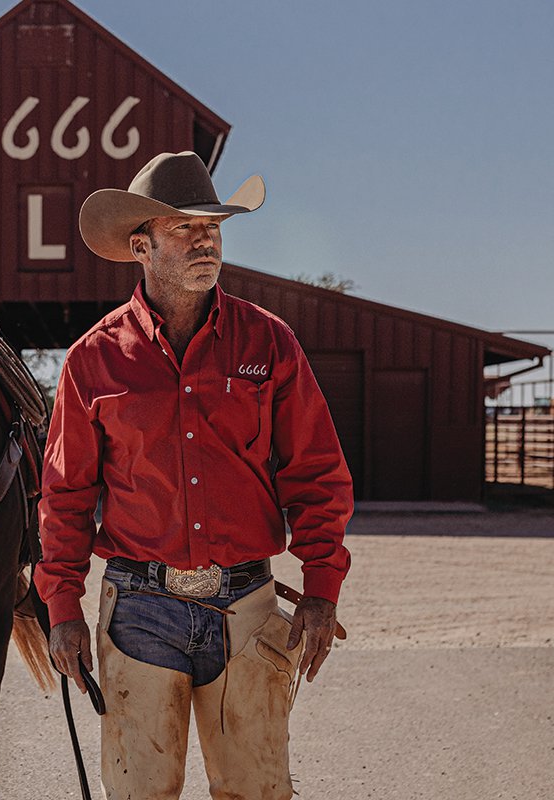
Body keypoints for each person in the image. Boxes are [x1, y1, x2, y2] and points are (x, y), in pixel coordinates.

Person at [36, 151, 353, 800]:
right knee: (139, 794)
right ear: (141, 246)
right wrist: (62, 605)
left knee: (257, 791)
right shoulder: (92, 361)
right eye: (184, 227)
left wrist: (322, 587)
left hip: (247, 607)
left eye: (213, 225)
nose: (206, 237)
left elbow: (316, 474)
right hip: (138, 614)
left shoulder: (269, 345)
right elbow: (65, 494)